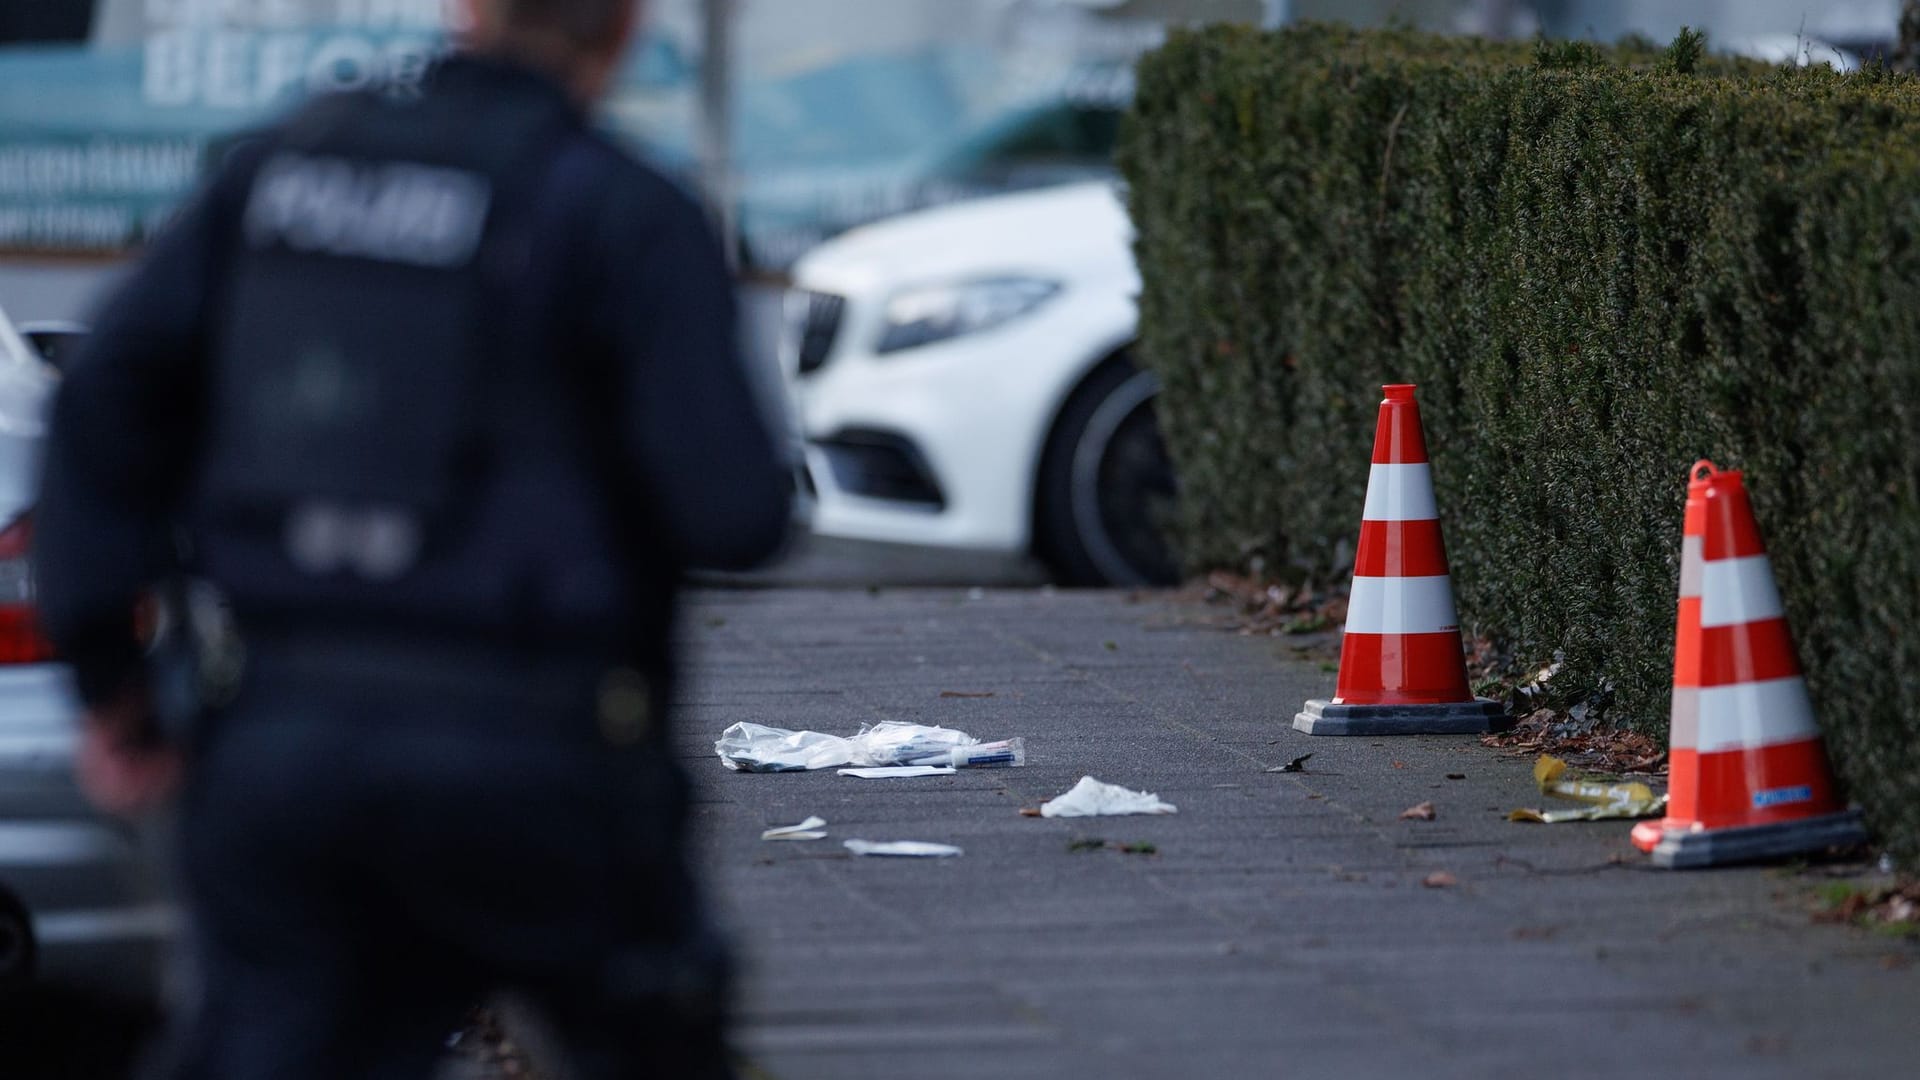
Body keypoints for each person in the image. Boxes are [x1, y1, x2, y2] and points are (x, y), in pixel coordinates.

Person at [32, 0, 792, 1076]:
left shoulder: (282, 174)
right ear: (622, 30)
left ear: (464, 11)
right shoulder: (627, 211)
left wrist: (113, 680)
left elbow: (103, 401)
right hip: (542, 758)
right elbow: (737, 514)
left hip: (283, 747)